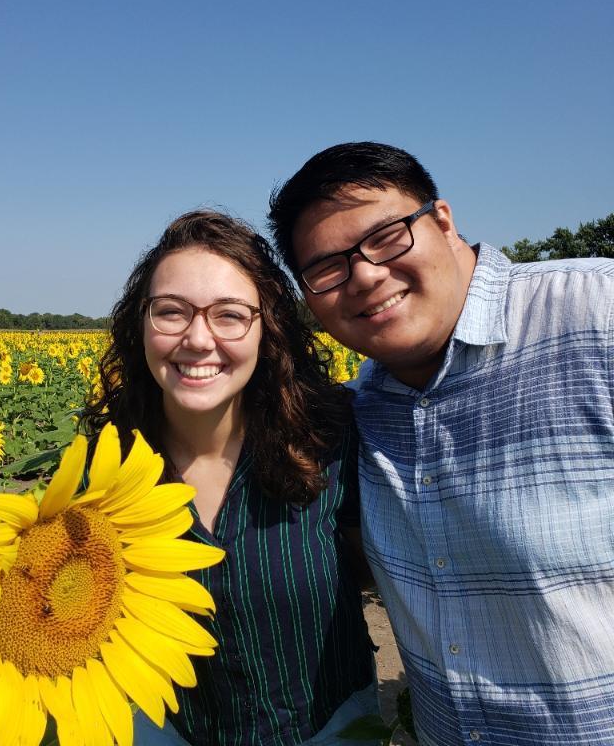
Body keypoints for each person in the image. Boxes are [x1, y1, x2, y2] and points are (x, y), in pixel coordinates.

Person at [267, 141, 614, 745]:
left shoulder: (595, 314)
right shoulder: (356, 410)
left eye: (386, 236)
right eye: (328, 267)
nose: (367, 275)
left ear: (444, 222)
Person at [81, 210, 380, 745]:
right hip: (171, 730)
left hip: (329, 728)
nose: (197, 339)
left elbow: (373, 570)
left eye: (230, 315)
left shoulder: (333, 441)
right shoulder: (104, 468)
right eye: (170, 311)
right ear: (140, 323)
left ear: (268, 329)